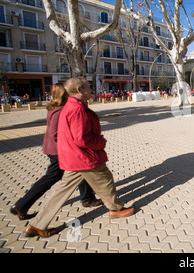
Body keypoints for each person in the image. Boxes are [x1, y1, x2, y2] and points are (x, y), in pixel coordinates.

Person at [24, 78, 134, 237]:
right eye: (89, 88)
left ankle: (36, 225)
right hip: (84, 157)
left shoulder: (70, 106)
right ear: (78, 89)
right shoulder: (77, 109)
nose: (91, 90)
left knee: (60, 192)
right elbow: (81, 138)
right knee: (105, 180)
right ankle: (116, 209)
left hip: (73, 157)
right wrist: (100, 142)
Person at [10, 83, 102, 221]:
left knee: (81, 169)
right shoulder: (60, 110)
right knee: (52, 176)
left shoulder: (55, 107)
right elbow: (54, 133)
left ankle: (87, 198)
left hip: (55, 149)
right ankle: (22, 205)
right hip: (58, 150)